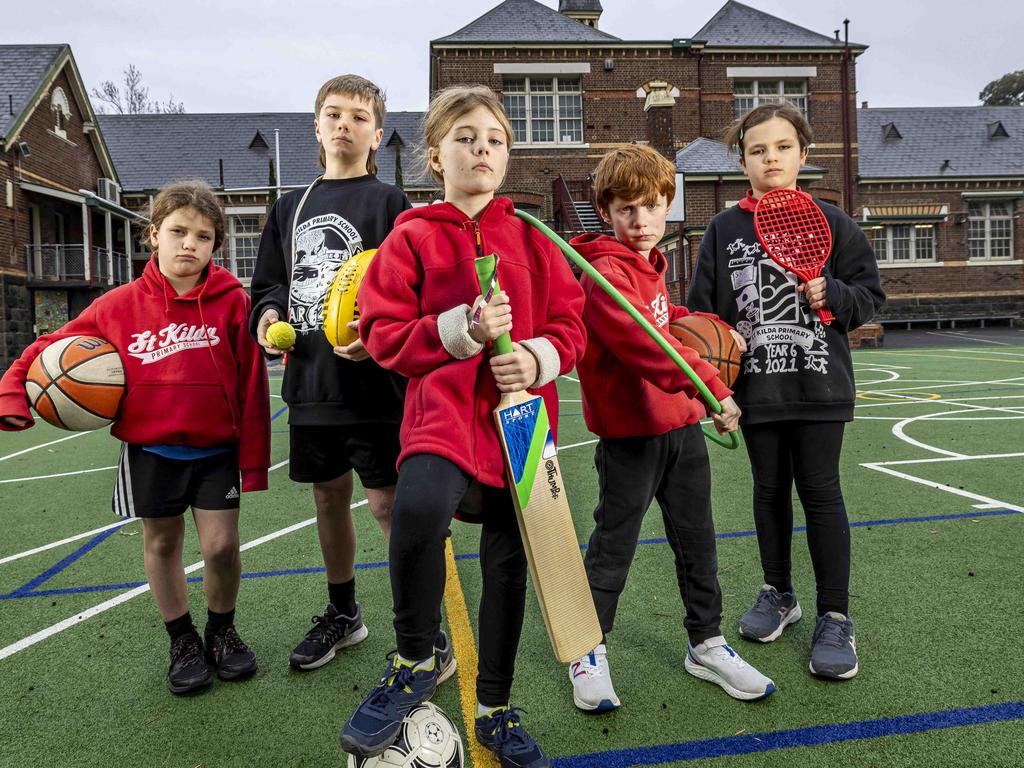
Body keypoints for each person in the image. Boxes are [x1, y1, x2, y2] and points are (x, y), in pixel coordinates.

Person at [340, 85, 585, 768]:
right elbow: (384, 334)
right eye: (466, 136)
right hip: (443, 415)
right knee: (418, 509)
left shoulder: (535, 237)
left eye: (495, 139)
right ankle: (415, 657)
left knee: (510, 561)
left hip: (524, 422)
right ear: (435, 156)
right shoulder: (411, 237)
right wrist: (463, 331)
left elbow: (573, 327)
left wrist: (536, 359)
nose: (482, 148)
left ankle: (495, 708)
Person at [0, 180, 270, 694]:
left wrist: (253, 462)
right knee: (163, 542)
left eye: (204, 236)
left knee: (221, 547)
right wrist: (13, 391)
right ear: (153, 235)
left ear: (216, 244)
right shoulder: (117, 305)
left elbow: (254, 386)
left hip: (217, 451)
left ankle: (221, 630)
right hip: (151, 450)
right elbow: (49, 346)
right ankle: (182, 638)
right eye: (178, 231)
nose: (190, 244)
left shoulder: (234, 302)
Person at [566, 144, 775, 713]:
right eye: (627, 209)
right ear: (605, 211)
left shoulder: (649, 264)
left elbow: (662, 319)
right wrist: (713, 385)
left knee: (698, 542)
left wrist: (701, 324)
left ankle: (706, 642)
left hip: (679, 432)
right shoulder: (604, 274)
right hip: (630, 436)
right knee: (614, 547)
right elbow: (643, 342)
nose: (641, 221)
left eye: (652, 207)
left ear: (668, 205)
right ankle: (587, 650)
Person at [687, 102, 885, 680]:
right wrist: (715, 376)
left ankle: (834, 614)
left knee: (821, 492)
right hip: (757, 391)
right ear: (742, 160)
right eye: (757, 150)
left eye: (781, 147)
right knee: (768, 490)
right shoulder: (723, 230)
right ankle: (779, 592)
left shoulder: (832, 220)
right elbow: (703, 315)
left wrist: (835, 297)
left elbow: (870, 297)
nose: (770, 158)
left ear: (803, 153)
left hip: (820, 385)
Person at [249, 75, 420, 672]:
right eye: (333, 114)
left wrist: (379, 339)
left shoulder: (391, 205)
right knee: (328, 499)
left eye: (357, 116)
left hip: (374, 387)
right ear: (316, 128)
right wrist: (268, 314)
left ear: (377, 134)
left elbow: (408, 290)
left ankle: (418, 628)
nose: (344, 123)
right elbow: (268, 284)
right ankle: (344, 613)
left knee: (385, 505)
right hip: (312, 384)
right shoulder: (289, 206)